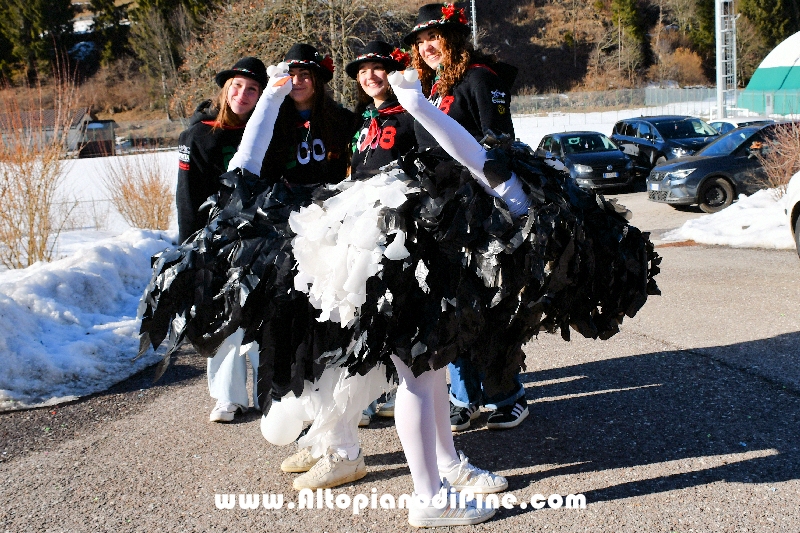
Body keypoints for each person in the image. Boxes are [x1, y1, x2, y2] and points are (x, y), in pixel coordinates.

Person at [403, 3, 529, 432]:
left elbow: (499, 142)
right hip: (439, 211)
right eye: (420, 42)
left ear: (453, 36)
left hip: (479, 210)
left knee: (487, 305)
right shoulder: (427, 87)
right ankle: (463, 396)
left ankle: (506, 395)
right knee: (446, 305)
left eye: (433, 37)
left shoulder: (478, 77)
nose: (427, 47)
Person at [174, 56, 267, 422]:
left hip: (259, 237)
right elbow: (186, 198)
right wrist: (190, 247)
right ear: (225, 88)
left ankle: (267, 389)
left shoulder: (265, 132)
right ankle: (228, 396)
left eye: (253, 89)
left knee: (261, 314)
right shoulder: (198, 135)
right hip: (215, 240)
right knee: (223, 315)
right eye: (237, 86)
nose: (243, 95)